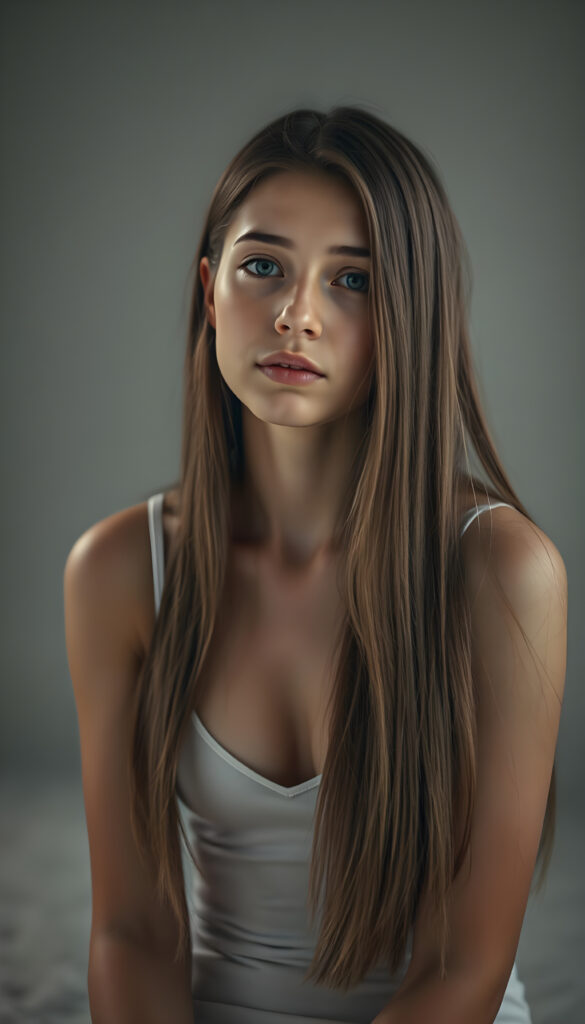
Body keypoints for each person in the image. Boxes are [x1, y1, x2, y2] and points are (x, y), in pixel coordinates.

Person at [63, 106, 567, 1024]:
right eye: (263, 267)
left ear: (413, 311)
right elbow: (131, 934)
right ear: (209, 289)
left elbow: (463, 969)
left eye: (353, 281)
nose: (296, 314)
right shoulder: (120, 569)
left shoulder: (499, 570)